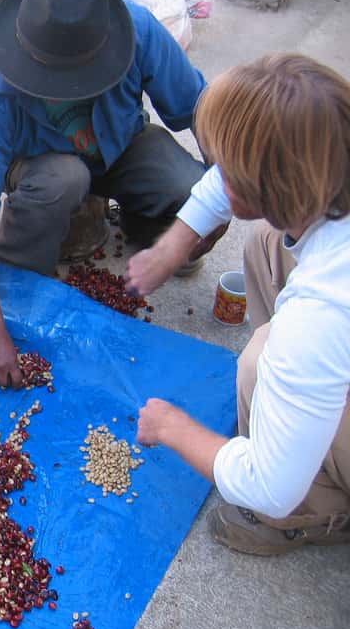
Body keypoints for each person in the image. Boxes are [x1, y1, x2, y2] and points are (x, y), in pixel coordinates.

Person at [0, 0, 223, 388]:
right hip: (45, 166)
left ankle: (145, 227)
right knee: (63, 180)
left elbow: (200, 109)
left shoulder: (139, 30)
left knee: (189, 188)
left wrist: (218, 197)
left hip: (122, 144)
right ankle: (23, 274)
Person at [135, 54, 350, 554]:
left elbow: (266, 486)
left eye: (227, 170)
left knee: (257, 360)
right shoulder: (327, 157)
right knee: (265, 244)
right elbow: (235, 179)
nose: (217, 175)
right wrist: (172, 245)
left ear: (267, 186)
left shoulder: (322, 307)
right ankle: (304, 419)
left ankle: (315, 508)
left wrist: (173, 426)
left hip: (319, 337)